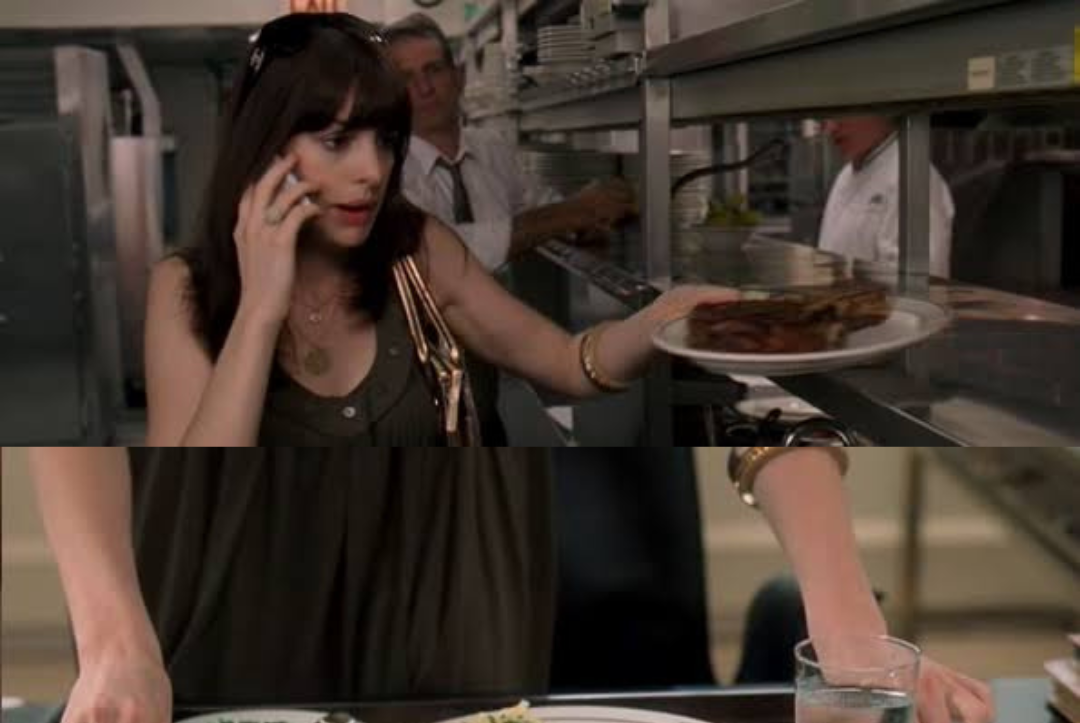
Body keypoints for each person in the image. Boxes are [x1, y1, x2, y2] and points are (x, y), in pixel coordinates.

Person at [30, 446, 995, 723]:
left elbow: (745, 398)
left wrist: (850, 631)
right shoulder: (182, 286)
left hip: (453, 538)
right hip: (218, 535)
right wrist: (114, 635)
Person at [143, 12, 720, 446]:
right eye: (337, 142)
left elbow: (569, 363)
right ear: (266, 145)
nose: (373, 173)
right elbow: (192, 506)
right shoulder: (184, 288)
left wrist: (664, 319)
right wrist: (260, 312)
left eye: (387, 142)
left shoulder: (418, 248)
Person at [384, 13, 637, 273]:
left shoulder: (491, 146)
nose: (424, 88)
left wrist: (585, 222)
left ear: (458, 77)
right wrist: (571, 212)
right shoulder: (389, 168)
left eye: (433, 70)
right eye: (406, 78)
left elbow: (539, 203)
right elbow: (436, 253)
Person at [818, 116, 955, 279]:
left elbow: (920, 283)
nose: (831, 128)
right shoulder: (846, 174)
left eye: (841, 114)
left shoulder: (912, 177)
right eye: (825, 119)